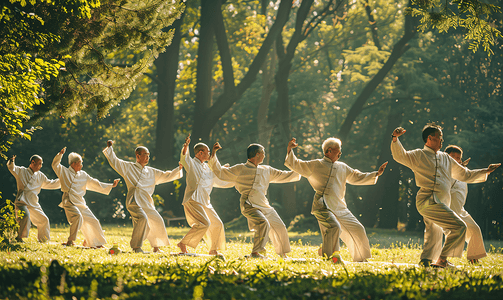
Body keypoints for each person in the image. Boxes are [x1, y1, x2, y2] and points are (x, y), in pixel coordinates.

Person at [391, 124, 500, 267]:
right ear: (430, 138)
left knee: (434, 230)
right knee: (459, 226)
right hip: (427, 201)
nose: (442, 141)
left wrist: (485, 171)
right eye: (439, 137)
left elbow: (464, 174)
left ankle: (426, 260)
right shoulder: (418, 155)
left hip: (442, 202)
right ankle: (442, 260)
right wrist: (395, 139)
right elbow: (400, 155)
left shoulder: (445, 158)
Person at [284, 137, 387, 263]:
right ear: (329, 151)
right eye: (338, 150)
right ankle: (330, 258)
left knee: (358, 228)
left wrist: (376, 174)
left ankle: (360, 258)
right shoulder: (315, 164)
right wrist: (289, 150)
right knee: (334, 228)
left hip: (340, 206)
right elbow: (296, 164)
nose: (340, 153)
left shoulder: (342, 167)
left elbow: (356, 176)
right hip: (322, 206)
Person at [208, 142, 301, 258]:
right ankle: (256, 252)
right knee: (263, 223)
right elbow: (221, 173)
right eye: (263, 153)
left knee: (280, 226)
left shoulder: (267, 170)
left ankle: (283, 254)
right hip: (248, 204)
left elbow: (286, 175)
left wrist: (302, 169)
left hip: (264, 204)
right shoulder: (240, 168)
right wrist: (214, 154)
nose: (264, 155)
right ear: (257, 154)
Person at [103, 140, 183, 253]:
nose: (147, 157)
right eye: (145, 155)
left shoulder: (151, 171)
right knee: (143, 218)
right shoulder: (128, 167)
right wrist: (110, 148)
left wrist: (178, 169)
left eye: (148, 155)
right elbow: (114, 161)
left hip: (146, 201)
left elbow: (166, 175)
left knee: (157, 219)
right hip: (134, 201)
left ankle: (156, 247)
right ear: (138, 156)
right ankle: (136, 247)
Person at [177, 134, 234, 255]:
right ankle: (183, 243)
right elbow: (184, 158)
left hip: (205, 201)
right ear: (200, 153)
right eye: (207, 152)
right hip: (192, 199)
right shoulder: (191, 163)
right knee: (204, 223)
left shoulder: (208, 168)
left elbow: (216, 174)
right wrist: (185, 147)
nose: (209, 154)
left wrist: (223, 167)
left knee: (217, 223)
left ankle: (213, 250)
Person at [53, 147, 119, 248]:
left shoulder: (83, 175)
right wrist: (60, 155)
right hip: (68, 201)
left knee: (93, 220)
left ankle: (96, 243)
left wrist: (111, 185)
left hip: (80, 201)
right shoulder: (64, 171)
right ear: (73, 164)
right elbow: (55, 165)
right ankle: (70, 241)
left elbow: (95, 183)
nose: (81, 165)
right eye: (80, 163)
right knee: (78, 217)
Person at [444, 145, 488, 264]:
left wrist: (486, 171)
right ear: (446, 156)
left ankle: (473, 258)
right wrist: (460, 168)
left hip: (460, 210)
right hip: (447, 209)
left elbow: (471, 175)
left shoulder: (462, 172)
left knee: (474, 230)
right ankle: (443, 259)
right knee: (454, 233)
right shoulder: (443, 169)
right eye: (453, 157)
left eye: (458, 158)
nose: (456, 160)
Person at [7, 155, 60, 242]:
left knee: (44, 219)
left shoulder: (40, 176)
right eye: (39, 163)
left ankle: (44, 240)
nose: (40, 166)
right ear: (32, 163)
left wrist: (62, 180)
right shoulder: (21, 171)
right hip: (22, 201)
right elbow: (12, 168)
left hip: (33, 202)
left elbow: (51, 183)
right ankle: (19, 238)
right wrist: (11, 161)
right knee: (25, 216)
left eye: (41, 164)